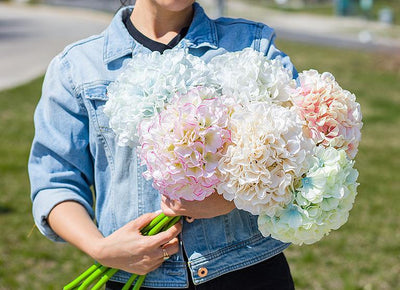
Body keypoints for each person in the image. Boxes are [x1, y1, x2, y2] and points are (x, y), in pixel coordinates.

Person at [28, 0, 296, 289]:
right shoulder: (77, 68)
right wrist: (100, 249)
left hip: (250, 272)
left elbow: (301, 153)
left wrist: (233, 198)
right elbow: (55, 182)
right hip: (134, 278)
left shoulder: (252, 46)